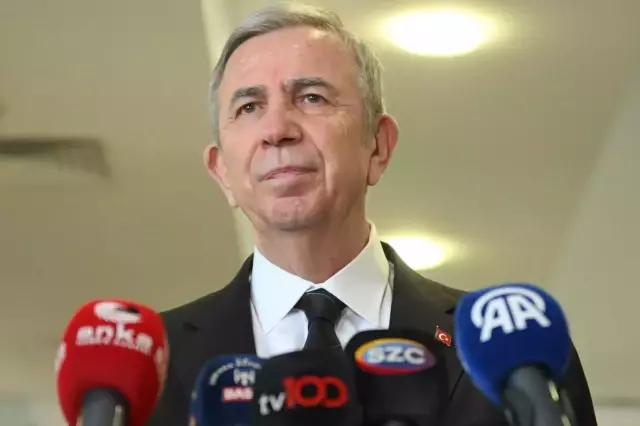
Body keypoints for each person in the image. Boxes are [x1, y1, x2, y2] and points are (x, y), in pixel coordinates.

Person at [149, 3, 597, 425]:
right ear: (222, 172)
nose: (277, 130)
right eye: (249, 107)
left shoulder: (513, 354)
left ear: (378, 146)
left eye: (311, 97)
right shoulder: (155, 366)